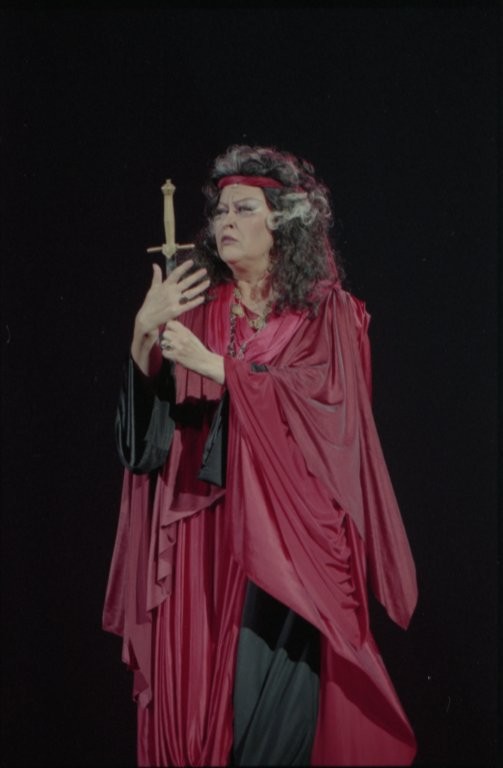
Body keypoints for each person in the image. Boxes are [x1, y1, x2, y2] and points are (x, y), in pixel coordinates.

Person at [103, 144, 418, 766]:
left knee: (270, 724)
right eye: (221, 210)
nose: (226, 220)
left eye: (244, 208)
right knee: (198, 719)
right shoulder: (197, 311)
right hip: (202, 542)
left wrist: (220, 368)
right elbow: (143, 450)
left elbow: (333, 420)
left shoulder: (326, 314)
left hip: (285, 545)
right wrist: (143, 337)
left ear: (283, 222)